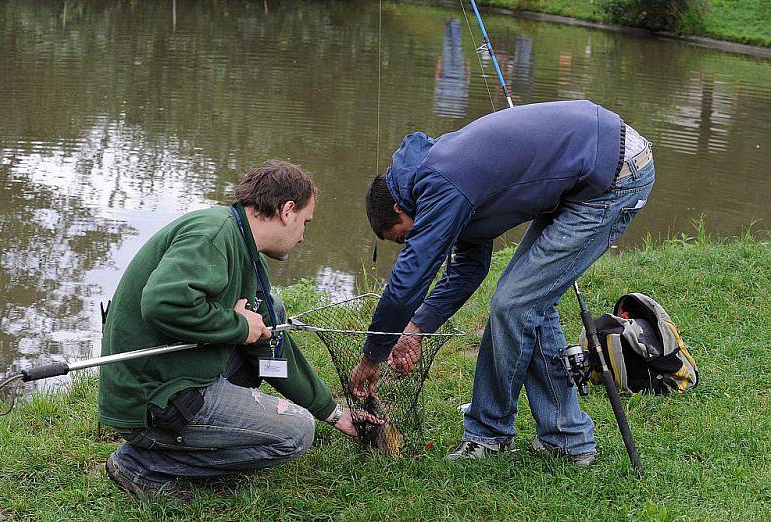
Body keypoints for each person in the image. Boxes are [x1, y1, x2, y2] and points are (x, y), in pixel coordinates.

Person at [349, 100, 655, 465]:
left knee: (514, 303)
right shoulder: (441, 185)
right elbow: (468, 271)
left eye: (402, 238)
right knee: (528, 301)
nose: (409, 244)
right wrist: (415, 328)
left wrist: (374, 354)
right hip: (591, 168)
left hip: (614, 176)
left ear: (399, 210)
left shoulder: (439, 185)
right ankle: (567, 439)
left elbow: (407, 281)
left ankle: (489, 433)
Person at [100, 160, 378, 498]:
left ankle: (177, 444)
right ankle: (142, 465)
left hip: (182, 374)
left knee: (268, 315)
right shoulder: (213, 234)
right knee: (296, 433)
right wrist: (235, 324)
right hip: (153, 398)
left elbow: (269, 351)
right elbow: (163, 303)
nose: (304, 237)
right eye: (305, 222)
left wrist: (333, 413)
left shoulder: (247, 251)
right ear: (287, 211)